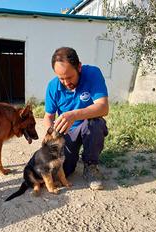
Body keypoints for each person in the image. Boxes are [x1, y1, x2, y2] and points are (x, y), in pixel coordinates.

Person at [43, 47, 109, 190]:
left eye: (69, 77)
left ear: (79, 67)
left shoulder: (92, 74)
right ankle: (74, 158)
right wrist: (51, 136)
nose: (66, 83)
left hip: (87, 126)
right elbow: (48, 116)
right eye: (61, 78)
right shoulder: (52, 86)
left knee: (96, 122)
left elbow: (103, 107)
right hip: (67, 133)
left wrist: (73, 115)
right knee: (65, 170)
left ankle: (91, 166)